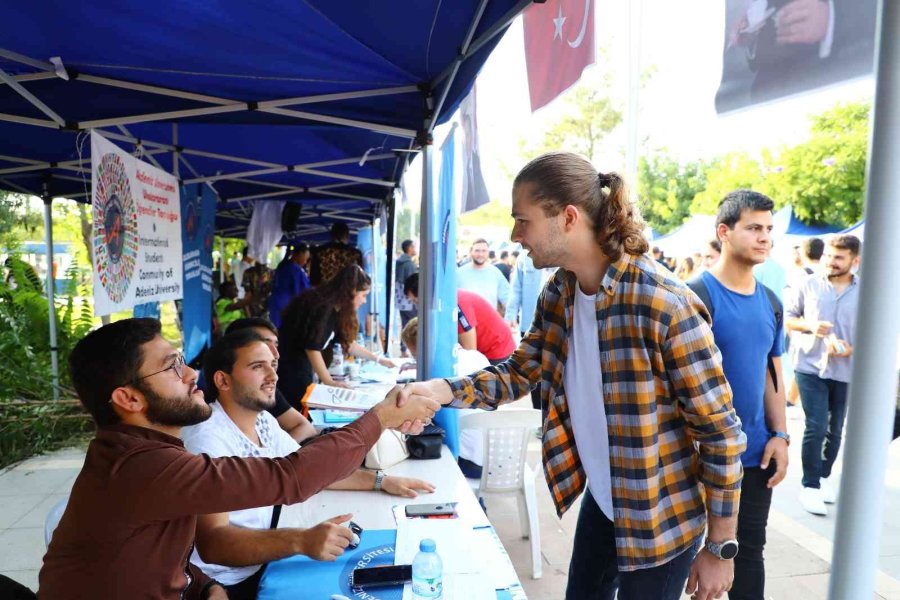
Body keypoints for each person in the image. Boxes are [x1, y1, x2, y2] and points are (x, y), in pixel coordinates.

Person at [401, 152, 746, 600]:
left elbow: (719, 432)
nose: (514, 235)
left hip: (662, 518)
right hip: (604, 503)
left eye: (522, 220)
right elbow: (521, 370)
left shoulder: (663, 304)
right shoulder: (560, 292)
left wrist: (720, 547)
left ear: (567, 217)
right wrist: (440, 390)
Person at [37, 318, 438, 600]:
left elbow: (158, 557)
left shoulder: (143, 454)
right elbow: (290, 476)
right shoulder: (142, 465)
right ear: (129, 398)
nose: (192, 374)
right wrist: (382, 417)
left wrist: (204, 588)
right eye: (172, 367)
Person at [182, 330, 434, 599]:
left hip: (265, 562)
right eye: (258, 366)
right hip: (223, 583)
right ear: (223, 380)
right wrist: (301, 540)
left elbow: (309, 472)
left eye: (273, 365)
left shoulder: (263, 420)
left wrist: (381, 481)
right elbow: (215, 543)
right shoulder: (207, 439)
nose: (273, 376)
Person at [693, 190, 789, 600]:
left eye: (768, 229)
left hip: (753, 458)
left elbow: (772, 373)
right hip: (696, 458)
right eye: (753, 228)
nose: (764, 237)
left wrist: (781, 435)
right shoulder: (696, 296)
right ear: (724, 232)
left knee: (749, 557)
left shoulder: (770, 301)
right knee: (684, 562)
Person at [785, 234, 861, 516]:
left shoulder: (866, 290)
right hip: (809, 365)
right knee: (815, 425)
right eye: (829, 255)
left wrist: (854, 348)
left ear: (855, 260)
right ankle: (810, 485)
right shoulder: (808, 284)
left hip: (845, 370)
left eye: (838, 257)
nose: (831, 261)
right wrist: (811, 325)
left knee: (835, 429)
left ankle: (824, 476)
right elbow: (789, 319)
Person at [278, 265, 396, 411]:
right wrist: (329, 382)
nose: (365, 301)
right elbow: (312, 347)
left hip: (301, 370)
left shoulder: (335, 309)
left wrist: (379, 360)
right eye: (364, 295)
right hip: (290, 372)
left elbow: (348, 344)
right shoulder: (322, 308)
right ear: (352, 292)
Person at [401, 316, 490, 478]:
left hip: (467, 462)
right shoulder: (477, 357)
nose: (416, 360)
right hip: (499, 458)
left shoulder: (438, 373)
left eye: (415, 356)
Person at [224, 317, 318, 443]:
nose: (276, 354)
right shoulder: (211, 423)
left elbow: (306, 427)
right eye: (265, 344)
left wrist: (275, 456)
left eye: (276, 344)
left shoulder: (263, 384)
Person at [404, 273, 516, 366]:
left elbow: (470, 353)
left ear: (424, 295)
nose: (418, 307)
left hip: (497, 352)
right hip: (488, 352)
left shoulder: (455, 303)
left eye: (416, 302)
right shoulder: (444, 300)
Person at [504, 252, 556, 412]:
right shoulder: (524, 259)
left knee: (554, 372)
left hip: (556, 324)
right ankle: (539, 414)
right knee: (533, 372)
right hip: (529, 323)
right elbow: (516, 289)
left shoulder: (562, 254)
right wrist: (511, 315)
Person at [457, 238, 511, 314]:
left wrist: (511, 317)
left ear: (488, 252)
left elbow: (508, 298)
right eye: (477, 251)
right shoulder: (459, 273)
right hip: (466, 322)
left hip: (489, 320)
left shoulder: (495, 273)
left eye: (484, 251)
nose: (480, 254)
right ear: (471, 252)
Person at [268, 243, 311, 328]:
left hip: (275, 303)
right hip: (286, 305)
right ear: (300, 254)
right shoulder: (296, 270)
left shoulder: (282, 265)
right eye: (305, 258)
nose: (305, 262)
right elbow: (302, 292)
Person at [395, 239, 419, 357]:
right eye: (414, 246)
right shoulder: (409, 264)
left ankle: (403, 349)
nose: (415, 249)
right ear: (409, 248)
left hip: (401, 301)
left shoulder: (399, 262)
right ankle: (408, 350)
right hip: (408, 302)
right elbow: (413, 284)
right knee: (412, 327)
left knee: (405, 324)